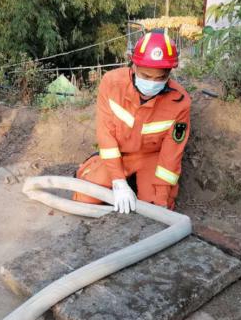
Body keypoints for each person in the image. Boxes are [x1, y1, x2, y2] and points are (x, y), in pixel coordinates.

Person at [73, 30, 191, 212]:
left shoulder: (180, 103)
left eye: (160, 78)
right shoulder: (112, 84)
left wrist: (161, 198)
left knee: (158, 209)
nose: (152, 83)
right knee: (85, 199)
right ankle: (90, 169)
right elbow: (106, 136)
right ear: (133, 66)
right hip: (119, 155)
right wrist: (118, 182)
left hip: (152, 157)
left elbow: (171, 156)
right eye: (146, 76)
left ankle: (141, 186)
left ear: (169, 73)